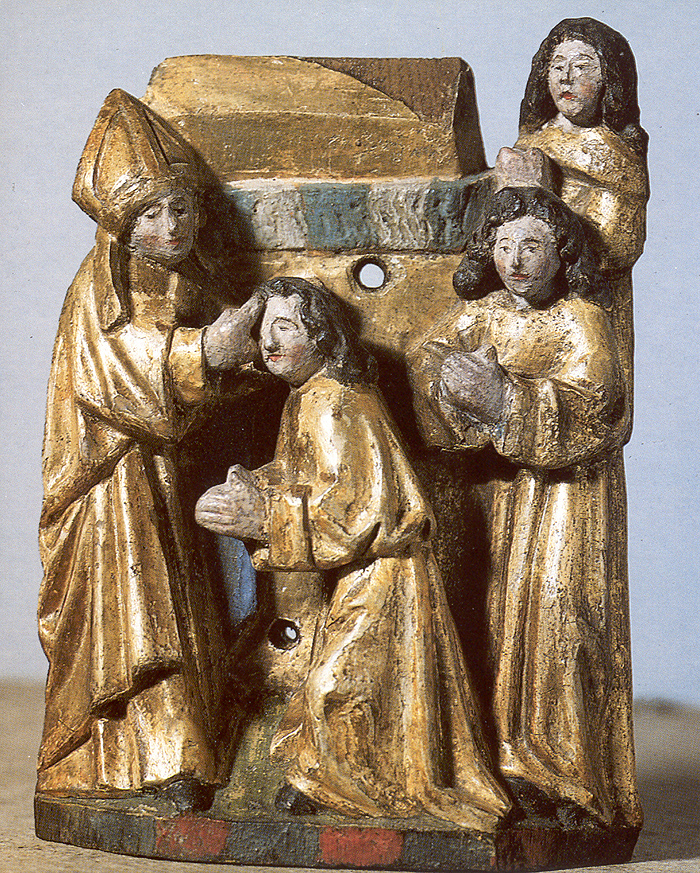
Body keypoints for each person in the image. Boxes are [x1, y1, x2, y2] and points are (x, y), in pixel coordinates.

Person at [195, 277, 511, 829]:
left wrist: (263, 517)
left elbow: (358, 510)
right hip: (364, 570)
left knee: (339, 685)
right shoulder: (308, 397)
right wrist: (254, 487)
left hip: (386, 570)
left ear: (322, 336)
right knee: (353, 685)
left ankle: (352, 790)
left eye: (285, 328)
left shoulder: (337, 402)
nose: (269, 343)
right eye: (264, 330)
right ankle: (330, 784)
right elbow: (307, 474)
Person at [37, 90, 264, 811]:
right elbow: (112, 372)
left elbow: (220, 374)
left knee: (193, 608)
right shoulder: (95, 289)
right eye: (150, 215)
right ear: (122, 224)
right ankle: (152, 763)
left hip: (175, 476)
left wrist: (247, 360)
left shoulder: (194, 275)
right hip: (114, 485)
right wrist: (206, 351)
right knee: (140, 620)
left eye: (180, 208)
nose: (171, 227)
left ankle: (192, 749)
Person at [408, 187, 641, 829]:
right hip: (494, 492)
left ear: (562, 254)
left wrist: (505, 401)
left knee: (557, 615)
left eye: (532, 246)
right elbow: (428, 359)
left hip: (567, 495)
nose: (514, 261)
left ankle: (565, 773)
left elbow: (599, 408)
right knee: (493, 614)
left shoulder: (580, 320)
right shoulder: (482, 315)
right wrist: (452, 387)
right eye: (503, 245)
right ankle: (503, 762)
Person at [513, 17, 649, 418]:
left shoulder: (617, 153)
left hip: (590, 296)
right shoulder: (532, 142)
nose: (566, 78)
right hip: (527, 293)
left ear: (610, 79)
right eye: (557, 66)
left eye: (583, 66)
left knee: (585, 402)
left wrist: (543, 213)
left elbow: (619, 247)